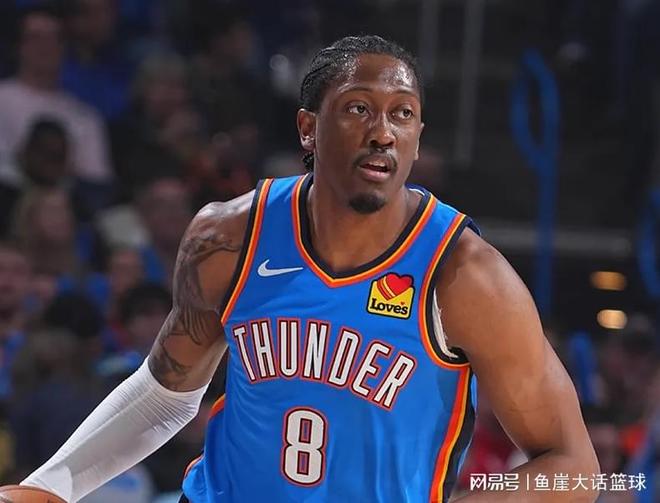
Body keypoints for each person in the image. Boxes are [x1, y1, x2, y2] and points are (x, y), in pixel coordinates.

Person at [15, 35, 598, 502]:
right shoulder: (229, 236)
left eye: (403, 115)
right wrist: (50, 485)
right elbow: (166, 394)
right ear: (308, 128)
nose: (382, 132)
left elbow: (575, 468)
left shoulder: (464, 274)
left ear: (418, 141)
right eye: (359, 109)